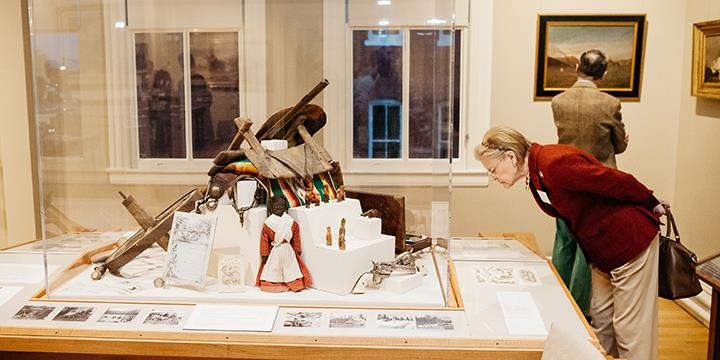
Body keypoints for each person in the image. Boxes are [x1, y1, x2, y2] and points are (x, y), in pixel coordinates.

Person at [475, 126, 667, 360]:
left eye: (493, 170)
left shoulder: (553, 163)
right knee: (601, 324)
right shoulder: (536, 172)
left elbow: (616, 181)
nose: (493, 177)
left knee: (631, 331)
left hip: (628, 242)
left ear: (511, 157)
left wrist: (650, 200)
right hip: (601, 251)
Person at [549, 49, 629, 317]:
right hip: (598, 185)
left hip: (565, 180)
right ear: (603, 73)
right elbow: (619, 145)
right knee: (587, 248)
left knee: (563, 242)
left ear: (576, 68)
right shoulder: (610, 103)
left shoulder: (559, 101)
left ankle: (556, 299)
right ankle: (579, 310)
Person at [256, 196, 312, 292]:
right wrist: (264, 254)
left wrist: (297, 249)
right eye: (276, 205)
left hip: (288, 249)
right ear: (271, 207)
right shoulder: (268, 223)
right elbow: (264, 240)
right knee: (274, 267)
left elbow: (296, 237)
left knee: (291, 268)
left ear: (285, 206)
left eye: (281, 205)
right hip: (276, 249)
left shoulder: (291, 222)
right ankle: (274, 284)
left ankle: (294, 284)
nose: (279, 207)